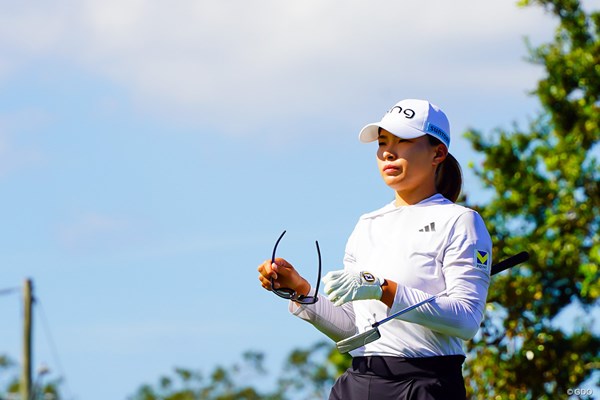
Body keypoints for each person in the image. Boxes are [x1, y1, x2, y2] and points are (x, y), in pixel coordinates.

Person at [257, 99, 492, 400]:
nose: (387, 152)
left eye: (403, 141)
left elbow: (466, 320)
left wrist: (382, 288)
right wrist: (301, 290)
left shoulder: (460, 222)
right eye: (382, 143)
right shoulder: (367, 225)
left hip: (426, 385)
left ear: (438, 153)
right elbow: (356, 330)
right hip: (360, 382)